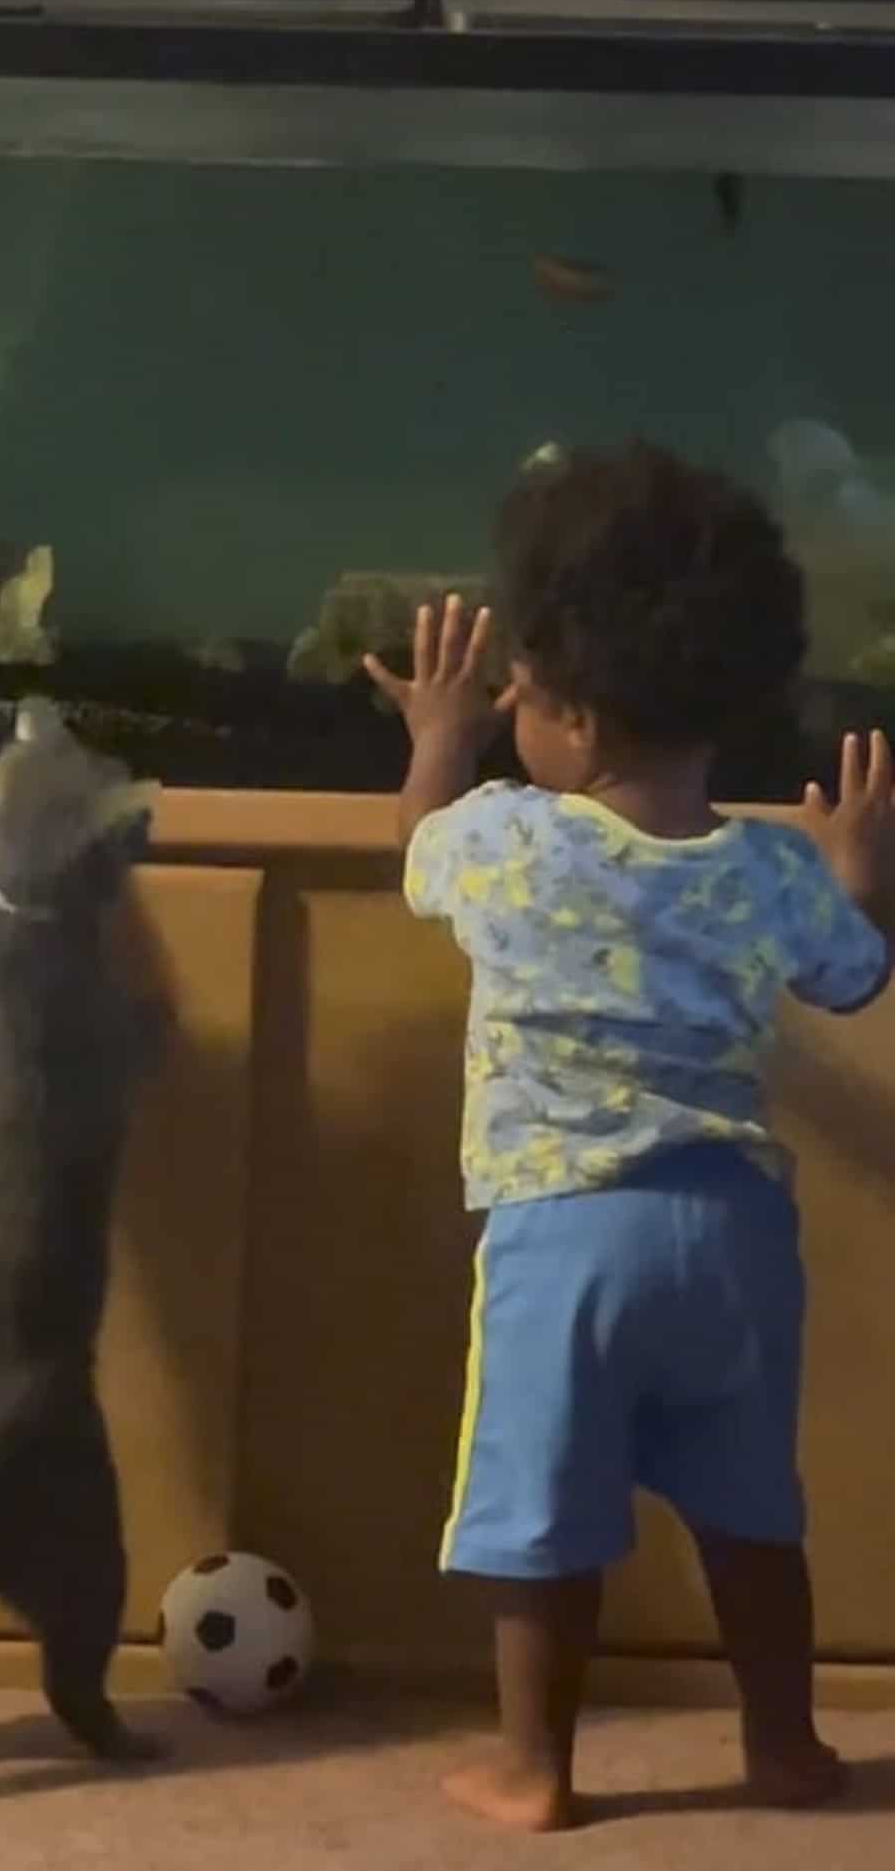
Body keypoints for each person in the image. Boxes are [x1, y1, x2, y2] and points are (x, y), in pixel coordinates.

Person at [364, 442, 895, 1834]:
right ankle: (785, 1745)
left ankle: (536, 1764)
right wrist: (855, 876)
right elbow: (853, 975)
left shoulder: (508, 844)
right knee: (747, 1506)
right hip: (731, 1234)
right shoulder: (771, 866)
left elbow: (415, 850)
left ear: (576, 720)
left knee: (543, 1506)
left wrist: (437, 740)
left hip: (564, 1231)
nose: (510, 710)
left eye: (523, 694)